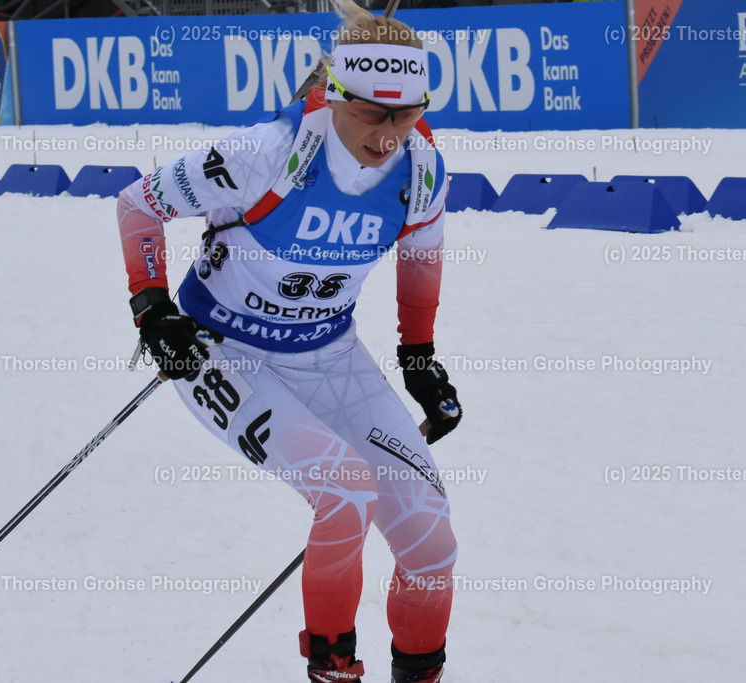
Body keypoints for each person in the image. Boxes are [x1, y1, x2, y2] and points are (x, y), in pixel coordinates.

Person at [115, 2, 461, 681]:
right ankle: (332, 669)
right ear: (334, 95)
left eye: (406, 114)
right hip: (219, 347)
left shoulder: (422, 172)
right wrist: (153, 310)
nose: (389, 134)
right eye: (371, 113)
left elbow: (422, 258)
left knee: (431, 537)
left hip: (328, 356)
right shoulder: (262, 154)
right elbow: (137, 204)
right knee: (345, 491)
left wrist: (419, 358)